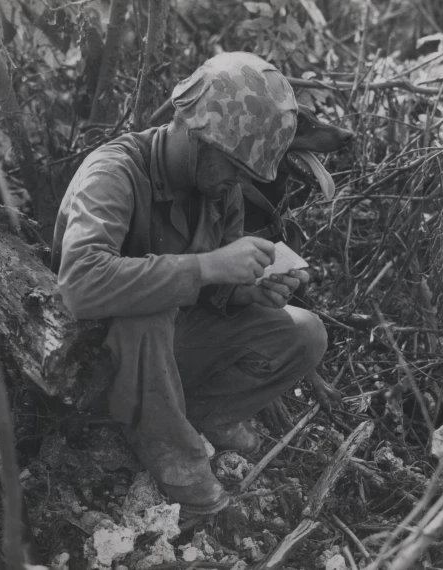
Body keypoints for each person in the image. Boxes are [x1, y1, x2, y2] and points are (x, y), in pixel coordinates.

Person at [52, 52, 332, 514]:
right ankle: (174, 459)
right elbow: (80, 283)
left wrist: (246, 290)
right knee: (150, 308)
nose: (236, 185)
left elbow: (211, 290)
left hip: (166, 353)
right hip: (97, 360)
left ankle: (200, 418)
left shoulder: (218, 189)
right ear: (201, 135)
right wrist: (208, 267)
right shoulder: (113, 172)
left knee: (304, 332)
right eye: (235, 169)